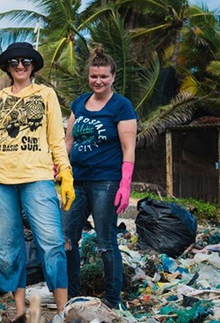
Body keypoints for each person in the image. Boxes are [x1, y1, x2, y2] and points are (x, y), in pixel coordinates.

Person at [0, 42, 75, 322]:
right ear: (6, 66)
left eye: (26, 61)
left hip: (37, 177)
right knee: (7, 246)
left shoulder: (45, 94)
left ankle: (63, 311)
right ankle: (20, 309)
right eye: (14, 62)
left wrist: (65, 173)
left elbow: (56, 138)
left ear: (33, 66)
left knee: (51, 243)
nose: (20, 66)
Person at [62, 44, 138, 310]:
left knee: (106, 241)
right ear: (88, 76)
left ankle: (111, 300)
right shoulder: (79, 103)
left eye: (103, 76)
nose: (98, 81)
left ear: (113, 77)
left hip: (106, 181)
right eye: (94, 76)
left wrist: (125, 184)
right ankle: (72, 297)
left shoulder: (121, 106)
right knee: (67, 238)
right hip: (77, 181)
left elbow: (129, 148)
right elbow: (68, 143)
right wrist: (60, 172)